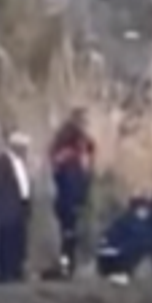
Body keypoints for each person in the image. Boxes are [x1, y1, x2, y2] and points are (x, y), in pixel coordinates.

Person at [50, 108, 96, 278]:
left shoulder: (81, 151)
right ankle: (66, 267)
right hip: (69, 201)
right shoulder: (69, 157)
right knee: (68, 235)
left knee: (73, 235)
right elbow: (64, 177)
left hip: (75, 198)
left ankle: (71, 266)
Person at [0, 132, 33, 284]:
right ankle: (5, 271)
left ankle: (16, 269)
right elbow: (0, 186)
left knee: (18, 239)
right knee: (6, 240)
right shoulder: (1, 162)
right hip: (7, 207)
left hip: (19, 205)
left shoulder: (21, 162)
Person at [97, 196, 152, 284]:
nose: (146, 212)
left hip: (110, 257)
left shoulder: (124, 220)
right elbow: (149, 239)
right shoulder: (134, 222)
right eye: (144, 209)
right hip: (120, 258)